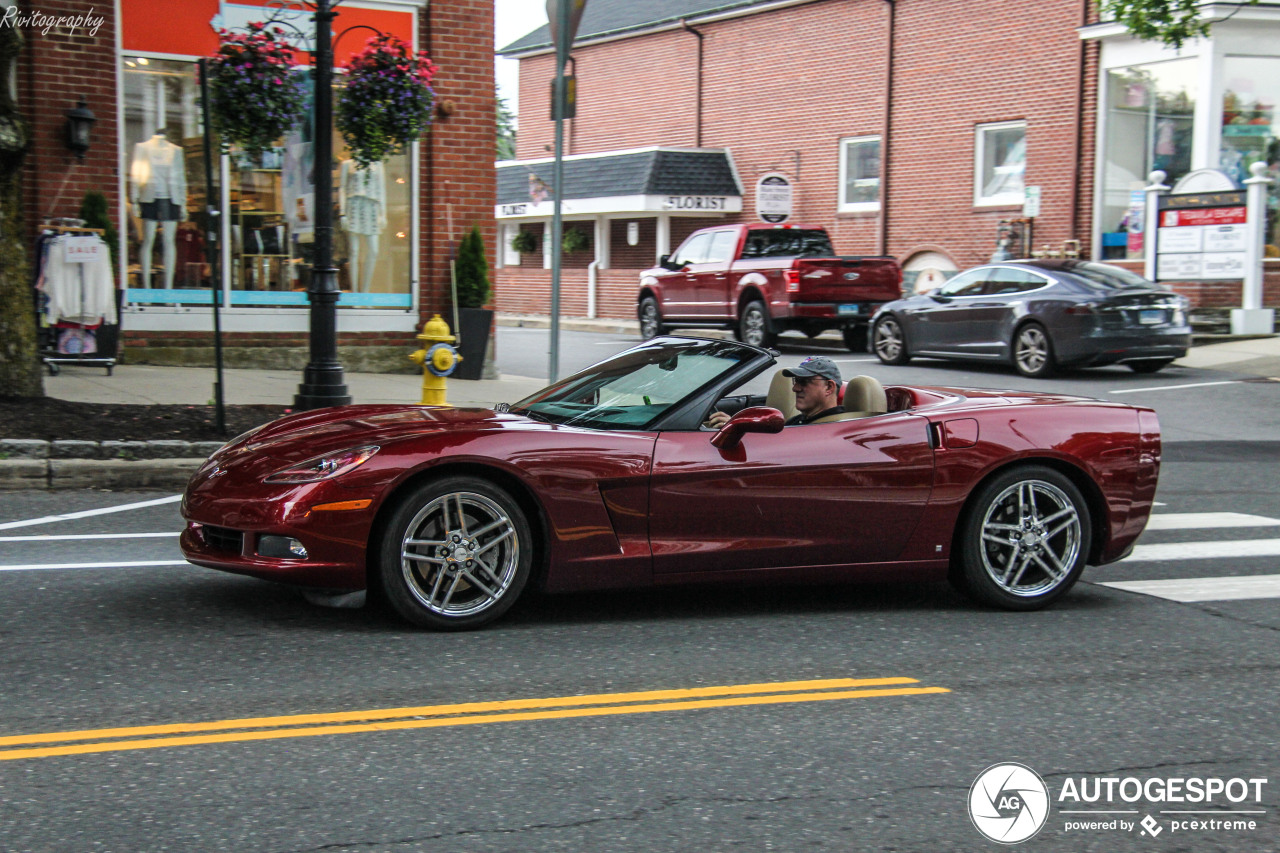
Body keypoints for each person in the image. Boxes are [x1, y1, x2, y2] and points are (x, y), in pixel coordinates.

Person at [705, 356, 844, 428]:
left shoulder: (836, 426)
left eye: (804, 382)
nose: (795, 388)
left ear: (829, 388)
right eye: (796, 381)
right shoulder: (799, 421)